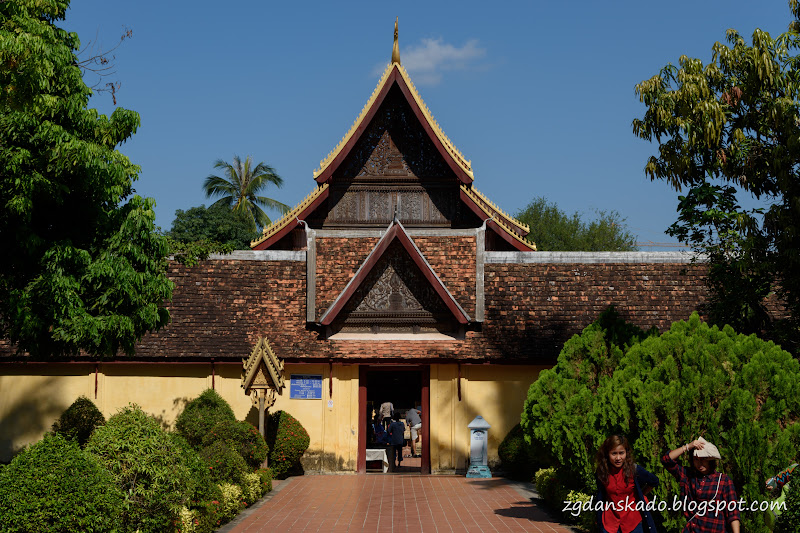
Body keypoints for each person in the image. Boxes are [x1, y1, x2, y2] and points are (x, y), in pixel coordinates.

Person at [662, 437, 740, 533]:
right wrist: (688, 446)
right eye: (696, 459)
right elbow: (666, 460)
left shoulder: (723, 480)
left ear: (710, 459)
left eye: (703, 459)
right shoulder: (687, 476)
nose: (700, 463)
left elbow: (733, 512)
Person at [595, 435, 658, 533]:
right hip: (610, 522)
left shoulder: (634, 470)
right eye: (614, 453)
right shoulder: (602, 472)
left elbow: (654, 481)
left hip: (633, 521)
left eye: (621, 453)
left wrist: (641, 494)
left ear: (626, 453)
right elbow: (601, 495)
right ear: (607, 454)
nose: (618, 458)